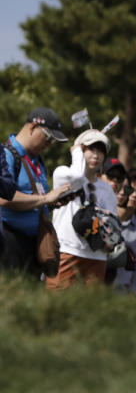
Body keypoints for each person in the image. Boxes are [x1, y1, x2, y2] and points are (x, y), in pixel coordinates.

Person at [47, 129, 121, 289]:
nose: (96, 155)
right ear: (80, 150)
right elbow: (76, 177)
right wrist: (76, 151)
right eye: (91, 149)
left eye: (101, 152)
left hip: (97, 256)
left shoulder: (106, 189)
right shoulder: (62, 173)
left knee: (90, 310)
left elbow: (113, 222)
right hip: (66, 251)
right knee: (57, 306)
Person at [0, 107, 71, 274]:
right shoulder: (5, 154)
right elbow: (3, 198)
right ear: (32, 127)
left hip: (33, 245)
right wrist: (45, 199)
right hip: (9, 241)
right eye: (48, 137)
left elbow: (34, 200)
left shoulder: (37, 161)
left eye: (53, 141)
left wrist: (51, 203)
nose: (49, 144)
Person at [112, 169, 136, 294]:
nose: (135, 195)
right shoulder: (102, 218)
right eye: (130, 190)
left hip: (120, 295)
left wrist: (133, 293)